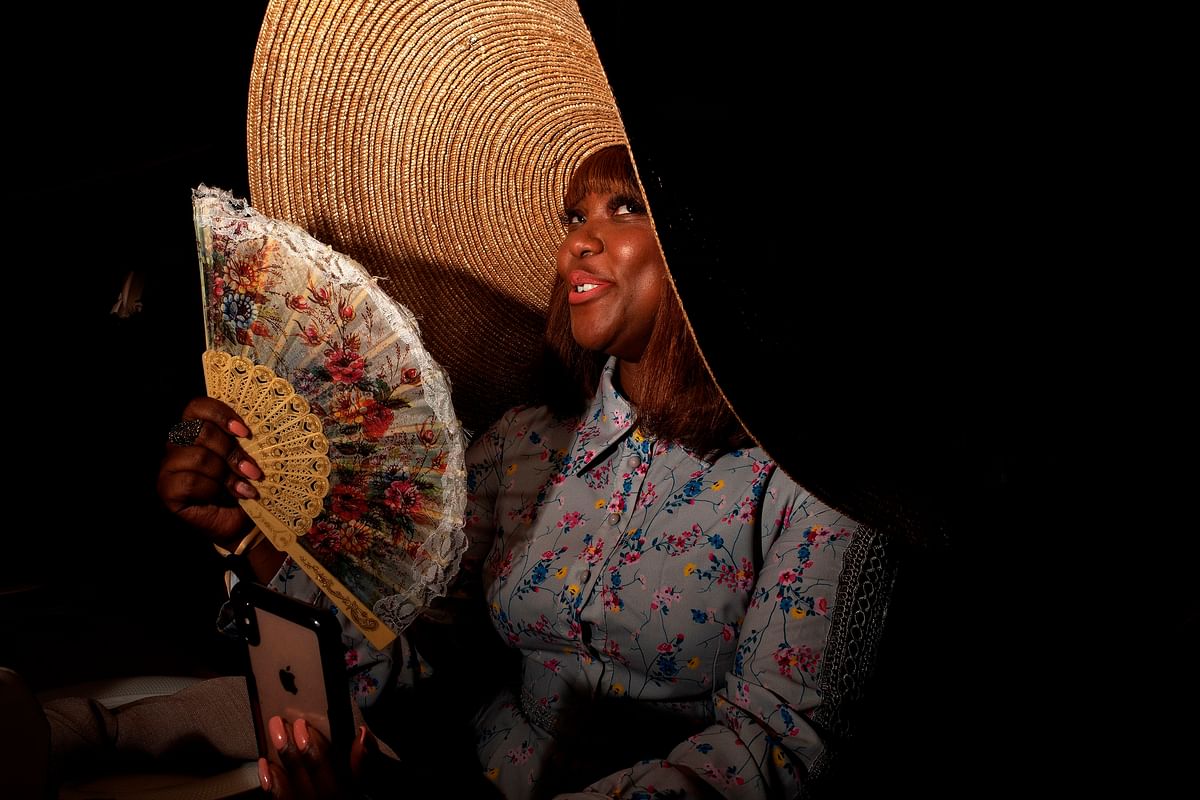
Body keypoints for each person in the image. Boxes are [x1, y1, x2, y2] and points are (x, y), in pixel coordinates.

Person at [149, 142, 891, 800]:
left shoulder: (814, 484)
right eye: (573, 218)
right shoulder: (519, 446)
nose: (579, 244)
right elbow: (406, 651)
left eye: (624, 207)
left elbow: (777, 747)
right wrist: (248, 536)